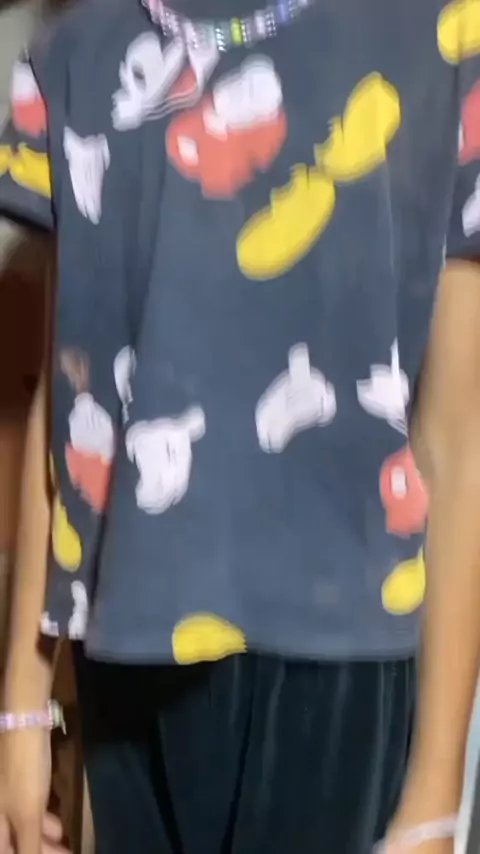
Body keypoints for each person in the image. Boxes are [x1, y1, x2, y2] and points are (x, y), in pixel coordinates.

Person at [2, 0, 480, 851]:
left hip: (338, 653)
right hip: (124, 647)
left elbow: (459, 435)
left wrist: (437, 790)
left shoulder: (441, 34)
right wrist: (24, 703)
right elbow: (68, 403)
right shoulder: (75, 52)